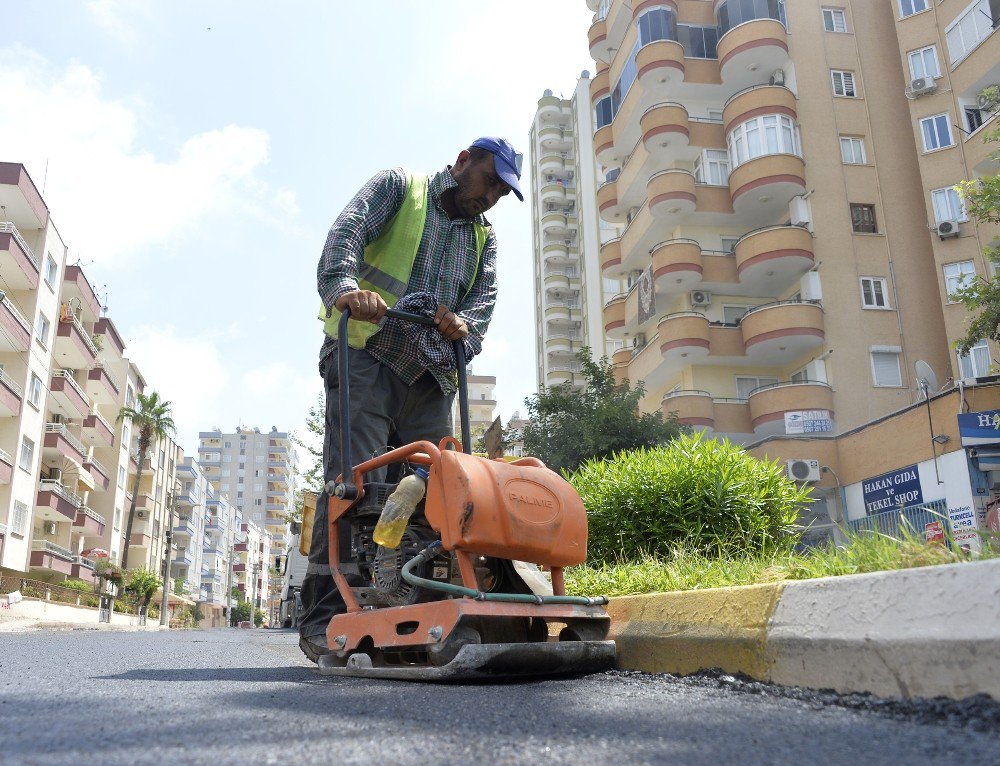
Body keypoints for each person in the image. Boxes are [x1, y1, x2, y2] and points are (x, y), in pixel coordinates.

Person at [298, 137, 524, 662]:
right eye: (489, 180)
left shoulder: (484, 240)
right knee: (354, 484)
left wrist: (462, 325)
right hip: (368, 355)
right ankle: (325, 617)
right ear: (464, 161)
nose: (491, 196)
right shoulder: (402, 188)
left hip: (429, 376)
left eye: (501, 191)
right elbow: (345, 236)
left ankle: (409, 610)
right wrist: (346, 288)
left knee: (431, 493)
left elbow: (482, 306)